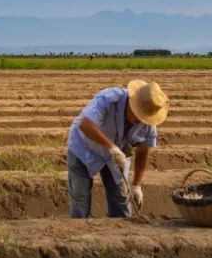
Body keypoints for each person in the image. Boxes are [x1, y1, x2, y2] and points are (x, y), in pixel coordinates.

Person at [66, 80, 169, 218]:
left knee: (121, 197)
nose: (140, 121)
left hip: (116, 157)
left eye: (143, 118)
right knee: (80, 195)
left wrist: (136, 185)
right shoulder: (108, 99)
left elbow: (143, 152)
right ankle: (78, 233)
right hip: (84, 147)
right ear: (132, 103)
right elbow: (86, 125)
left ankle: (122, 233)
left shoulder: (148, 120)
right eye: (138, 115)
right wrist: (111, 147)